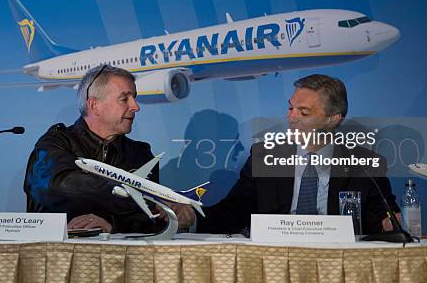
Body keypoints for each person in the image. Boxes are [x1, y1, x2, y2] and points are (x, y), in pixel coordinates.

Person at [197, 74, 400, 235]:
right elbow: (234, 211)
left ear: (333, 118)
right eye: (290, 108)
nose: (291, 117)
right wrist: (192, 217)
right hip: (275, 259)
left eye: (303, 112)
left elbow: (383, 218)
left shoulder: (365, 164)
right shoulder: (264, 157)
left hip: (338, 260)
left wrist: (388, 224)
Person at [24, 65, 194, 232]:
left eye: (134, 97)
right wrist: (141, 195)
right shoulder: (56, 143)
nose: (136, 106)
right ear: (94, 105)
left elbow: (150, 218)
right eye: (124, 99)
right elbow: (57, 185)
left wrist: (173, 214)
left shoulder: (140, 155)